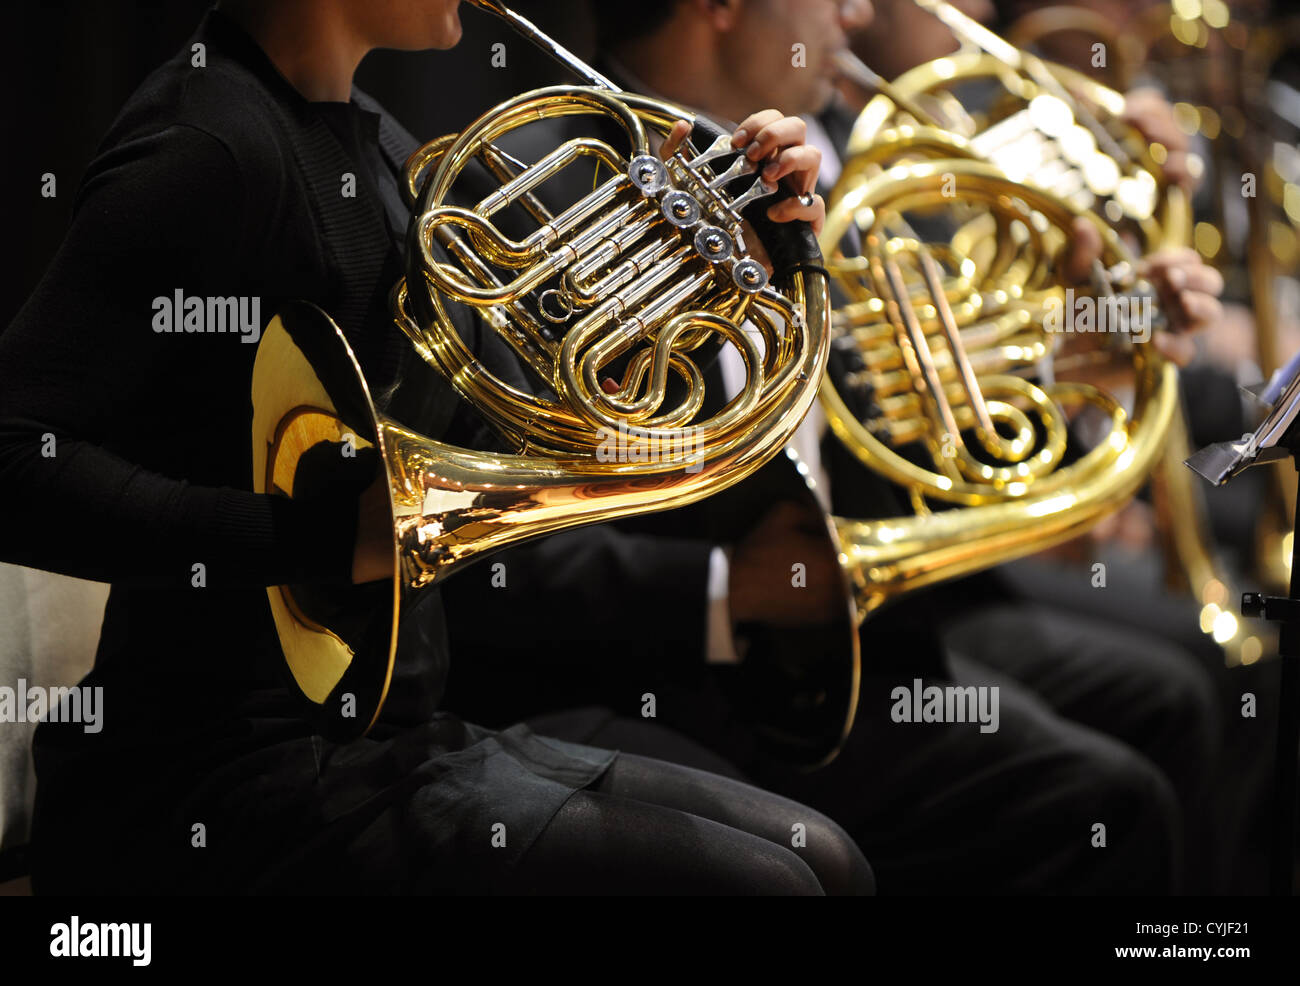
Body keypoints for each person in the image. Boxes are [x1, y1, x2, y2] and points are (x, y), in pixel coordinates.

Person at [0, 0, 876, 895]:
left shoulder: (373, 143)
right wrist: (315, 541)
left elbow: (524, 414)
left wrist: (736, 253)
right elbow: (12, 461)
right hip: (208, 783)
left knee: (827, 861)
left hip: (383, 741)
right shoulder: (208, 140)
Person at [439, 0, 1235, 893]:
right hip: (666, 663)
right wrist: (737, 592)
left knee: (1167, 707)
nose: (856, 12)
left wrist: (1082, 354)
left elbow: (899, 418)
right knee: (1107, 797)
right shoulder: (543, 189)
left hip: (848, 621)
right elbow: (525, 544)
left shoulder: (792, 170)